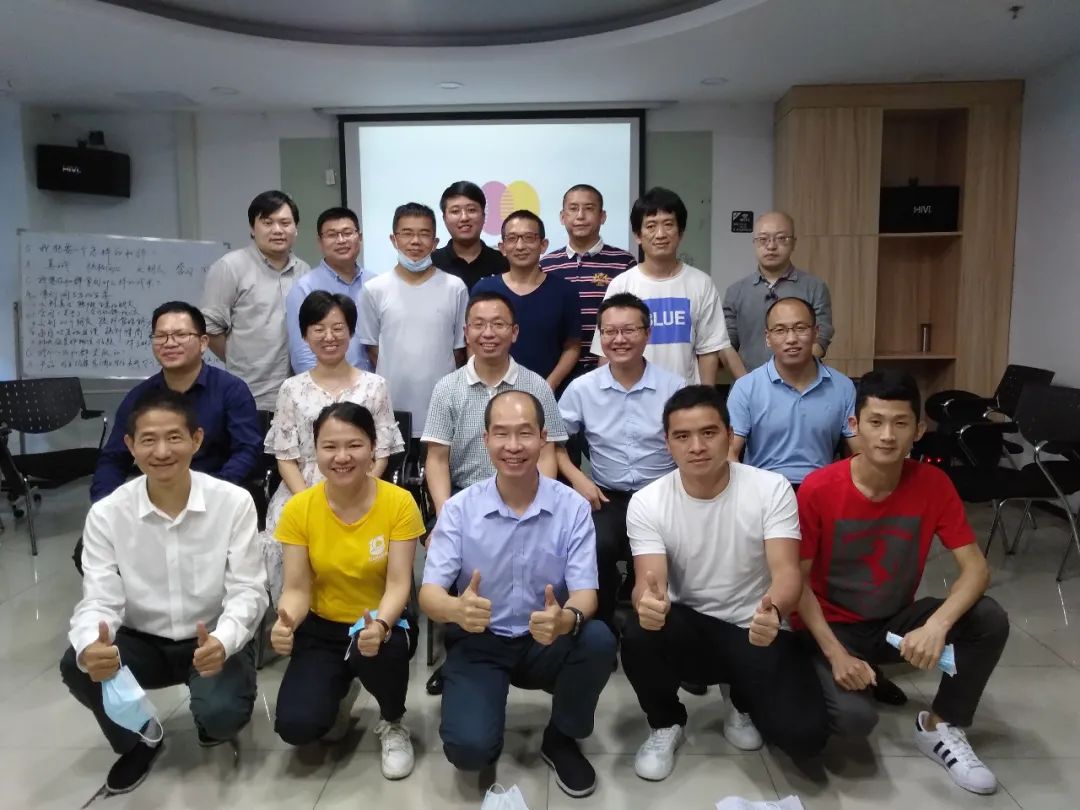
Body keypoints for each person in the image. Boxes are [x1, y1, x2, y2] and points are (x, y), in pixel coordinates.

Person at [795, 370, 1009, 795]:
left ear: (919, 430)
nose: (887, 436)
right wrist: (836, 654)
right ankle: (831, 675)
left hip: (892, 625)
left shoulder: (933, 484)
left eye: (900, 423)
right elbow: (796, 585)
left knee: (987, 617)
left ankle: (939, 726)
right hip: (830, 628)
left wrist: (937, 625)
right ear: (854, 425)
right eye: (875, 422)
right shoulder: (819, 489)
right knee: (854, 721)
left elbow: (976, 570)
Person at [60, 389, 267, 795]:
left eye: (174, 437)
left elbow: (248, 589)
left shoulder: (233, 502)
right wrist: (90, 645)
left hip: (211, 638)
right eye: (148, 440)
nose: (161, 451)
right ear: (130, 445)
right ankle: (140, 736)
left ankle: (212, 713)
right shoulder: (107, 513)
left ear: (197, 439)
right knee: (77, 662)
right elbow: (99, 597)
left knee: (221, 716)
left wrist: (225, 641)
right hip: (142, 642)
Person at [620, 385, 828, 782]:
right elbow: (649, 580)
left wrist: (776, 610)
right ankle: (666, 723)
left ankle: (741, 703)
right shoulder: (648, 501)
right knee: (638, 631)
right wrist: (646, 602)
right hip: (690, 626)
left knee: (806, 738)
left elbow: (788, 573)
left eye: (709, 433)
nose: (697, 446)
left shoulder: (771, 488)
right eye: (683, 436)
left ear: (730, 435)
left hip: (756, 627)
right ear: (667, 443)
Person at [420, 391, 616, 798]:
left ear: (543, 438)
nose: (513, 446)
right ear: (485, 439)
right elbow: (430, 594)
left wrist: (566, 619)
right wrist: (456, 609)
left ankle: (560, 737)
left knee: (597, 639)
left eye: (525, 433)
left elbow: (586, 594)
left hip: (545, 638)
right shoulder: (459, 509)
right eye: (501, 434)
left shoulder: (572, 507)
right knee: (470, 751)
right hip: (479, 638)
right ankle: (474, 697)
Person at [271, 402, 424, 779]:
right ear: (315, 450)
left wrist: (382, 625)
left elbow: (399, 583)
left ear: (373, 448)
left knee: (380, 652)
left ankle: (393, 722)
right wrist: (286, 622)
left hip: (381, 621)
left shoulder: (398, 502)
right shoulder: (299, 509)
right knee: (297, 727)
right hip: (322, 626)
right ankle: (340, 690)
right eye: (330, 446)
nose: (342, 457)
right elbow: (296, 588)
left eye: (354, 445)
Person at [263, 291, 404, 597]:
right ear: (304, 335)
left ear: (351, 332)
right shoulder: (291, 389)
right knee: (285, 536)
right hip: (302, 488)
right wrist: (310, 503)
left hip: (362, 485)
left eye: (338, 328)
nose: (329, 337)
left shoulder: (375, 386)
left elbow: (382, 451)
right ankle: (295, 612)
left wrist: (359, 491)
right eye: (319, 329)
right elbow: (285, 457)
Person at [556, 293, 684, 630]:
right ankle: (601, 628)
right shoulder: (582, 389)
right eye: (610, 332)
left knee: (677, 552)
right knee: (593, 547)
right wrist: (578, 479)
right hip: (606, 497)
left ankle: (666, 630)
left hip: (663, 497)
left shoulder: (674, 387)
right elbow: (551, 443)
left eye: (629, 330)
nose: (619, 339)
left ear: (647, 333)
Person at [90, 300, 261, 502]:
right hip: (157, 496)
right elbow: (114, 458)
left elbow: (247, 451)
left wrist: (210, 493)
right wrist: (104, 503)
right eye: (160, 336)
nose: (170, 343)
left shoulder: (231, 389)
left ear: (203, 342)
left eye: (181, 335)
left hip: (218, 495)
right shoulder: (140, 397)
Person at [422, 291, 568, 518]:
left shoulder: (537, 386)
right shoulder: (447, 388)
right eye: (479, 325)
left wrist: (538, 508)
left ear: (514, 332)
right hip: (465, 498)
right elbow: (437, 459)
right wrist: (445, 516)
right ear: (466, 333)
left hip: (525, 498)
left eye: (498, 324)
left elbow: (546, 454)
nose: (488, 333)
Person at [591, 187, 745, 384]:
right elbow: (606, 351)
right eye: (651, 226)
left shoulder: (701, 283)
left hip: (684, 397)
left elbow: (709, 349)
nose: (660, 234)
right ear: (638, 235)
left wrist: (704, 398)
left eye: (668, 224)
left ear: (680, 233)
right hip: (631, 396)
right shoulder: (621, 285)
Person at [358, 202, 468, 455]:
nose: (415, 241)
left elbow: (459, 351)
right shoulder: (374, 289)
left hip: (443, 407)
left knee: (440, 473)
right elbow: (373, 349)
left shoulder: (455, 287)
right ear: (393, 239)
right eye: (407, 233)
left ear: (435, 241)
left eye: (424, 234)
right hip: (392, 408)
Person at [726, 296, 858, 488]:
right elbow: (729, 452)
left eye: (800, 328)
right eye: (780, 330)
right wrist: (748, 491)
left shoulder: (843, 386)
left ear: (816, 332)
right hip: (763, 489)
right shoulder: (746, 387)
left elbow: (859, 452)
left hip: (821, 488)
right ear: (768, 338)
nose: (791, 339)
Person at [201, 189, 310, 411]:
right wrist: (239, 359)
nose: (277, 230)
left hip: (298, 396)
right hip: (250, 395)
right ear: (252, 228)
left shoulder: (304, 271)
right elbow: (210, 327)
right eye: (267, 223)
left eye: (285, 223)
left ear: (296, 228)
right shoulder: (230, 267)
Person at [473, 210, 581, 390]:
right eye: (512, 238)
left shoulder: (565, 291)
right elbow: (473, 342)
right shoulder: (484, 289)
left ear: (543, 245)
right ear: (502, 247)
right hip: (493, 391)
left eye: (529, 238)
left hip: (548, 392)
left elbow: (572, 346)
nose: (520, 246)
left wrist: (548, 385)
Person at [540, 184, 637, 378]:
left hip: (610, 368)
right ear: (562, 217)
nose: (580, 216)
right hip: (556, 370)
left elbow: (633, 316)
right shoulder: (546, 264)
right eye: (573, 208)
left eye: (589, 208)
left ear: (603, 216)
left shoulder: (624, 261)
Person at [722, 212, 834, 371]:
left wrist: (789, 375)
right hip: (749, 381)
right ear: (754, 243)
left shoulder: (814, 287)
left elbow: (821, 338)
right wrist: (747, 381)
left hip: (800, 380)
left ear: (793, 243)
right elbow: (726, 346)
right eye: (763, 239)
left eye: (781, 238)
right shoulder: (736, 291)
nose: (771, 246)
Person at [286, 206, 373, 374]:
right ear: (320, 242)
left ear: (360, 237)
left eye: (347, 233)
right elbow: (303, 354)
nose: (341, 240)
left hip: (372, 385)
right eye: (332, 235)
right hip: (326, 387)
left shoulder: (374, 283)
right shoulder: (304, 288)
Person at [432, 180, 508, 291]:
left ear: (483, 216)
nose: (464, 218)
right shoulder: (432, 264)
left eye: (471, 210)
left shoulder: (504, 263)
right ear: (444, 219)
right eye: (455, 211)